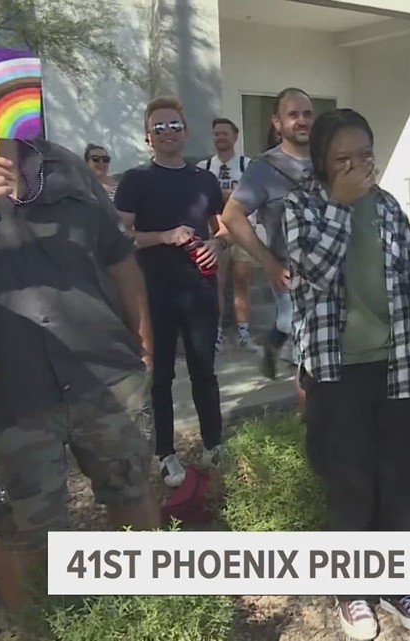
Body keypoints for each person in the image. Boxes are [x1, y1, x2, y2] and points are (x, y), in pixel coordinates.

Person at [284, 108, 410, 640]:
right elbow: (316, 273)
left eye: (365, 156)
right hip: (335, 372)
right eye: (342, 160)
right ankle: (351, 592)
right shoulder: (300, 206)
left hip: (393, 367)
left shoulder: (388, 206)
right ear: (323, 164)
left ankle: (398, 583)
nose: (356, 168)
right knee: (349, 484)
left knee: (398, 481)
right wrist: (342, 209)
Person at [0, 136, 158, 612]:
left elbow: (118, 256)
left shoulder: (63, 163)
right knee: (20, 529)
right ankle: (38, 630)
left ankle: (153, 614)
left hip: (104, 371)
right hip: (11, 394)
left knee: (132, 492)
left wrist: (143, 345)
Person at [113, 96, 229, 487]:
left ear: (186, 131)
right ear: (148, 138)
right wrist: (164, 236)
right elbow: (121, 237)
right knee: (160, 376)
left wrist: (218, 244)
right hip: (155, 292)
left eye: (174, 126)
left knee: (204, 372)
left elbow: (225, 227)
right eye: (159, 128)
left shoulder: (204, 180)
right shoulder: (135, 181)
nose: (168, 133)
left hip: (199, 289)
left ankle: (214, 444)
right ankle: (166, 454)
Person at [220, 88, 315, 414]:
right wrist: (269, 263)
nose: (302, 121)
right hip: (292, 276)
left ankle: (275, 347)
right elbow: (232, 215)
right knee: (308, 362)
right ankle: (313, 433)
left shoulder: (329, 157)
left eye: (307, 114)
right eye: (293, 114)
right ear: (277, 122)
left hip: (335, 277)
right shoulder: (264, 168)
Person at [198, 117, 258, 352]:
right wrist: (232, 195)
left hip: (242, 230)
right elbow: (203, 199)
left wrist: (222, 194)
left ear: (235, 136)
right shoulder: (203, 168)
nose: (220, 137)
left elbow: (252, 195)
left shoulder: (247, 165)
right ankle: (217, 334)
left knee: (242, 281)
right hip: (215, 231)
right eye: (216, 134)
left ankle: (244, 333)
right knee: (217, 283)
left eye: (225, 133)